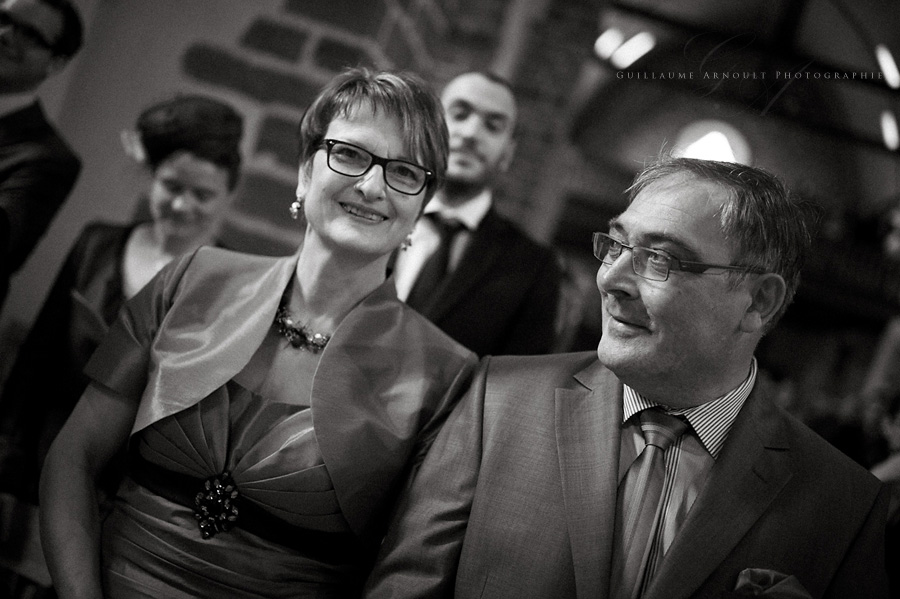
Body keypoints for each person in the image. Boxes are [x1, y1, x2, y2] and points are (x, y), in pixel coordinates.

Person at [364, 157, 890, 599]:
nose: (611, 280)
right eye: (616, 245)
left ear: (758, 301)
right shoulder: (494, 402)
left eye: (659, 259)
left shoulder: (842, 503)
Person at [40, 68, 476, 598]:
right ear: (303, 170)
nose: (371, 186)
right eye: (351, 154)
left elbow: (407, 575)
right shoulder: (191, 280)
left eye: (405, 172)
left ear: (421, 207)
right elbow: (73, 459)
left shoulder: (445, 375)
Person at [0, 94, 243, 597]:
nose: (182, 205)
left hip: (132, 504)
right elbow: (36, 362)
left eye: (203, 194)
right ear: (150, 177)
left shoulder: (230, 289)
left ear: (229, 196)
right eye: (171, 186)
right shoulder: (97, 244)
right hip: (42, 468)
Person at [391, 71, 561, 356]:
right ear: (430, 126)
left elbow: (517, 382)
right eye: (459, 114)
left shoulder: (533, 268)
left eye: (493, 126)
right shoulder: (377, 211)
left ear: (508, 152)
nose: (471, 134)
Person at [0, 0, 83, 309]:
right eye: (3, 18)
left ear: (56, 63)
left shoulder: (47, 160)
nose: (6, 35)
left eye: (30, 35)